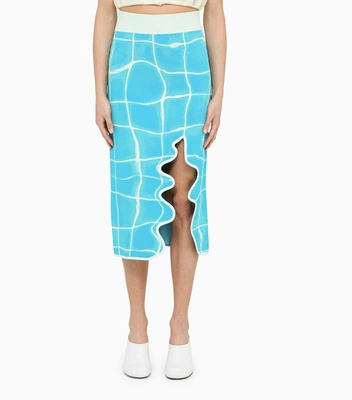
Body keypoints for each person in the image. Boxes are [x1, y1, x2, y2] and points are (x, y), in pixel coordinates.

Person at [93, 0, 226, 379]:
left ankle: (180, 326)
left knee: (186, 198)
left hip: (189, 63)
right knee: (135, 199)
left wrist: (219, 92)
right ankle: (137, 326)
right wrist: (100, 92)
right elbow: (105, 11)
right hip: (129, 62)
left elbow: (214, 11)